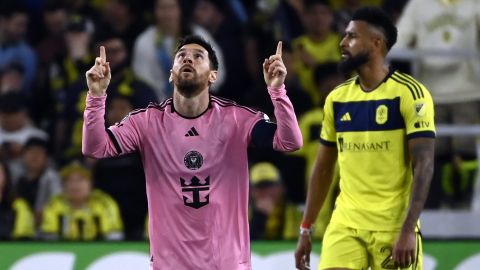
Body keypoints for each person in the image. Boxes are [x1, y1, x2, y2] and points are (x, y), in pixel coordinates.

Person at [83, 35, 302, 269]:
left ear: (213, 75)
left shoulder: (237, 119)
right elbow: (95, 147)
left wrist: (278, 92)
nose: (188, 59)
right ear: (171, 73)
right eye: (181, 56)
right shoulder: (146, 122)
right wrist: (96, 96)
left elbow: (289, 142)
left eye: (198, 56)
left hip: (226, 264)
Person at [295, 6, 435, 270]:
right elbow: (323, 167)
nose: (342, 42)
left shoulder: (410, 94)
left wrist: (407, 230)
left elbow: (424, 165)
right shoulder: (337, 99)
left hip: (393, 226)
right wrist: (305, 228)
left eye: (351, 36)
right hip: (346, 223)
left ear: (376, 43)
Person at [395, 0, 480, 209]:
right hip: (428, 92)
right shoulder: (418, 5)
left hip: (468, 90)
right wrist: (389, 53)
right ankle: (430, 207)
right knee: (430, 151)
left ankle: (463, 206)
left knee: (466, 149)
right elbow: (400, 39)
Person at [41, 161, 123, 241]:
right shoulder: (54, 204)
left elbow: (114, 238)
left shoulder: (104, 203)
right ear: (64, 186)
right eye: (69, 180)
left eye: (80, 179)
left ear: (90, 183)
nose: (75, 185)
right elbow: (50, 240)